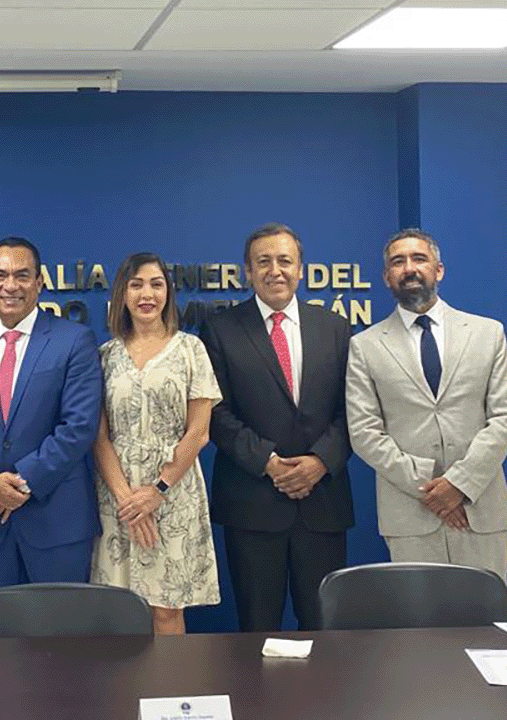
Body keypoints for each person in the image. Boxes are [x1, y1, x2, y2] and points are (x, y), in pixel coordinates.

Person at [200, 223, 353, 631]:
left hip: (322, 503)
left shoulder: (335, 328)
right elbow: (216, 412)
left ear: (300, 268)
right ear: (247, 272)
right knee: (257, 626)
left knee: (323, 627)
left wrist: (319, 462)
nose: (275, 270)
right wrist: (268, 462)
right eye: (263, 262)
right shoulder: (220, 330)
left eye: (285, 260)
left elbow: (354, 409)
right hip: (253, 504)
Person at [346, 228, 507, 581]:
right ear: (386, 277)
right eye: (398, 262)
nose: (409, 268)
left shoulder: (487, 333)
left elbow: (504, 417)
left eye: (419, 259)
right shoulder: (365, 346)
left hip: (480, 509)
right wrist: (432, 489)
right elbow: (364, 433)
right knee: (419, 615)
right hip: (411, 516)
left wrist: (459, 485)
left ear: (438, 270)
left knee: (485, 611)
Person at [0, 236, 102, 590]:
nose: (10, 286)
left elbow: (78, 426)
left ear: (39, 282)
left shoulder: (74, 340)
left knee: (60, 624)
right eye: (0, 275)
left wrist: (21, 482)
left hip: (57, 523)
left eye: (22, 275)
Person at [91, 253, 220, 635]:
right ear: (122, 293)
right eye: (136, 285)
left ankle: (171, 678)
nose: (146, 294)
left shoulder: (191, 349)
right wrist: (129, 501)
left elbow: (199, 432)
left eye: (156, 284)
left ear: (168, 293)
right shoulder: (105, 356)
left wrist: (156, 491)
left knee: (166, 610)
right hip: (118, 496)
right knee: (120, 612)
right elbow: (99, 437)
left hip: (173, 494)